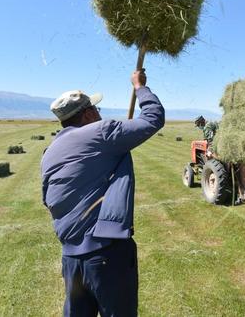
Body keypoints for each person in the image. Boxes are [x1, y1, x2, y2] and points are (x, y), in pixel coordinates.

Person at [41, 69, 164, 317]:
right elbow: (153, 118)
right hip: (106, 255)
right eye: (96, 110)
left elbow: (48, 198)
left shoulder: (50, 152)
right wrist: (140, 87)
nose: (100, 113)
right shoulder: (101, 133)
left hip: (71, 258)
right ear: (87, 114)